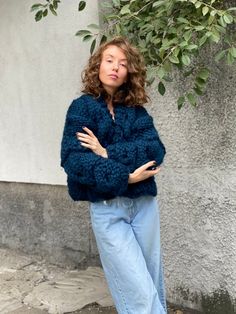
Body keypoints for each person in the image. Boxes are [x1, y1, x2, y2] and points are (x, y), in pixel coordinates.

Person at [60, 37, 167, 314]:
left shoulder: (136, 111)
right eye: (109, 60)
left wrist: (106, 153)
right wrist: (125, 177)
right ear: (97, 65)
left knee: (151, 285)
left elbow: (154, 149)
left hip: (144, 206)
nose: (115, 67)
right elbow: (74, 160)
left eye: (123, 63)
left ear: (129, 72)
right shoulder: (82, 108)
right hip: (108, 209)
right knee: (139, 292)